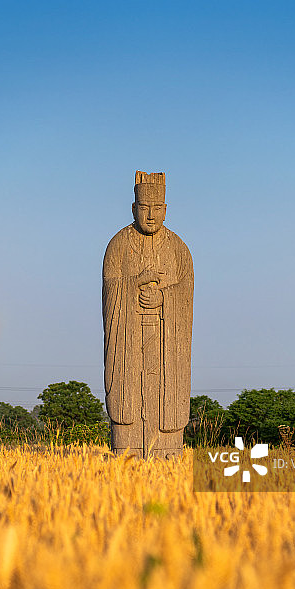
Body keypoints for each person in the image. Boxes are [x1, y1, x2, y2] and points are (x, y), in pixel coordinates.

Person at [102, 171, 194, 458]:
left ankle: (167, 448)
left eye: (157, 208)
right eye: (144, 208)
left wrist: (164, 297)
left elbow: (186, 291)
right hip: (129, 342)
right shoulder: (118, 245)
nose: (150, 215)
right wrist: (135, 283)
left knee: (164, 405)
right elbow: (110, 289)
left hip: (166, 344)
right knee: (129, 407)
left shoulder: (178, 249)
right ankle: (126, 450)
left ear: (166, 210)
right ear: (133, 208)